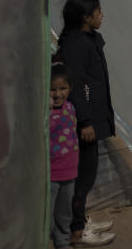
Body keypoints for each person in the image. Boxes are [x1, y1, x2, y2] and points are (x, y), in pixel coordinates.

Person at [55, 0, 116, 247]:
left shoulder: (85, 40)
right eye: (98, 11)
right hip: (84, 122)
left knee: (85, 174)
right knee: (82, 177)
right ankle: (76, 229)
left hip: (91, 117)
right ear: (85, 18)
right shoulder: (76, 46)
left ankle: (79, 220)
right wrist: (86, 121)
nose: (101, 14)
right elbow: (76, 86)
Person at [49, 62, 79, 249]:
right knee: (46, 215)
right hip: (51, 174)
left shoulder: (70, 108)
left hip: (69, 172)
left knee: (64, 213)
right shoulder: (45, 113)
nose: (58, 94)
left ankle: (62, 243)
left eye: (63, 88)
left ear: (70, 89)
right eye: (52, 89)